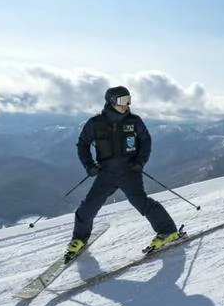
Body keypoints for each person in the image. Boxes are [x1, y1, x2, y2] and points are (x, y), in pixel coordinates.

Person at [64, 86, 181, 261]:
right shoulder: (96, 123)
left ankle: (168, 231)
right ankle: (79, 239)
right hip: (106, 174)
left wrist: (140, 161)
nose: (126, 105)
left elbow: (146, 141)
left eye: (129, 100)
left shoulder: (134, 121)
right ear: (111, 101)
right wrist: (89, 165)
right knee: (88, 207)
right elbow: (82, 144)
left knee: (141, 203)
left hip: (130, 172)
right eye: (122, 101)